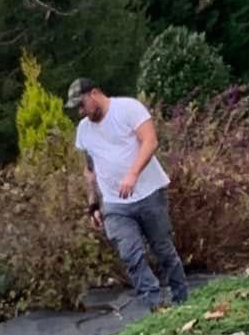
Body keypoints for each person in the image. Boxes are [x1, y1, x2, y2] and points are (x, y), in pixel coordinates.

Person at [65, 79, 190, 308]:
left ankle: (182, 300)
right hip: (115, 204)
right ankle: (156, 307)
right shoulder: (84, 130)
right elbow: (90, 169)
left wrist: (132, 174)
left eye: (82, 105)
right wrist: (92, 204)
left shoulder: (128, 108)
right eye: (77, 109)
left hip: (150, 193)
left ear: (94, 93)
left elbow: (150, 141)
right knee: (131, 255)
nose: (81, 111)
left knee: (163, 250)